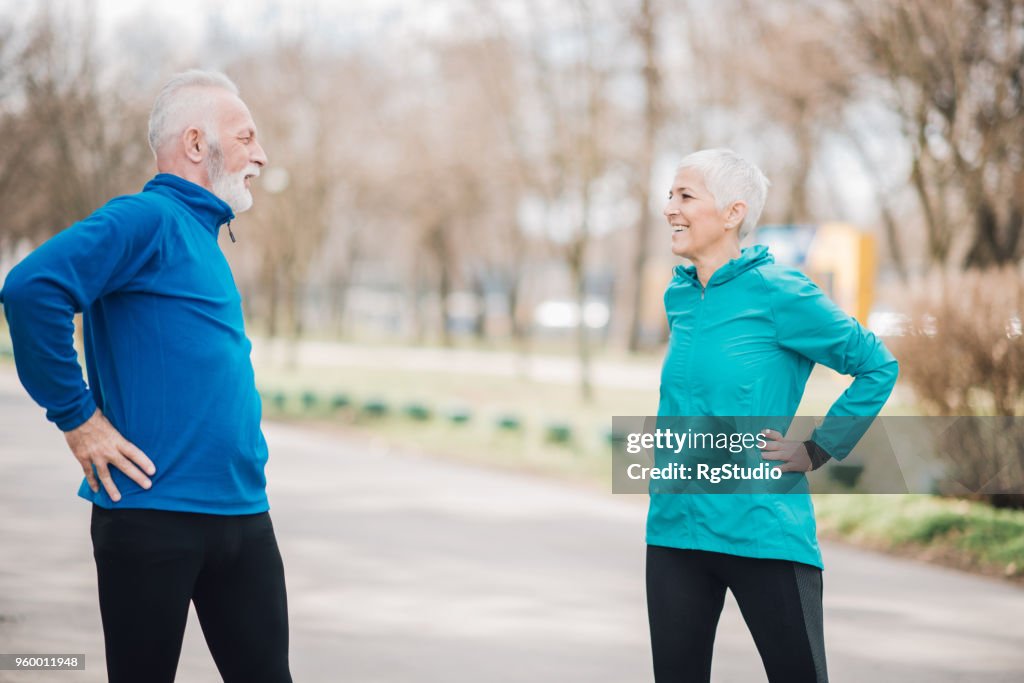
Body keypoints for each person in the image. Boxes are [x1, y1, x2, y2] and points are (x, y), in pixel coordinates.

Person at [0, 70, 290, 683]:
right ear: (194, 144)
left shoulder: (202, 234)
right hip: (155, 519)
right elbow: (31, 290)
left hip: (242, 515)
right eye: (246, 137)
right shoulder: (147, 219)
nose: (260, 154)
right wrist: (77, 418)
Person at [646, 148, 898, 682]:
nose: (670, 207)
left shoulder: (783, 293)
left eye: (686, 195)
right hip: (674, 531)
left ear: (734, 212)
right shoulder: (680, 295)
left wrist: (818, 447)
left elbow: (877, 366)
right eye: (670, 194)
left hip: (761, 529)